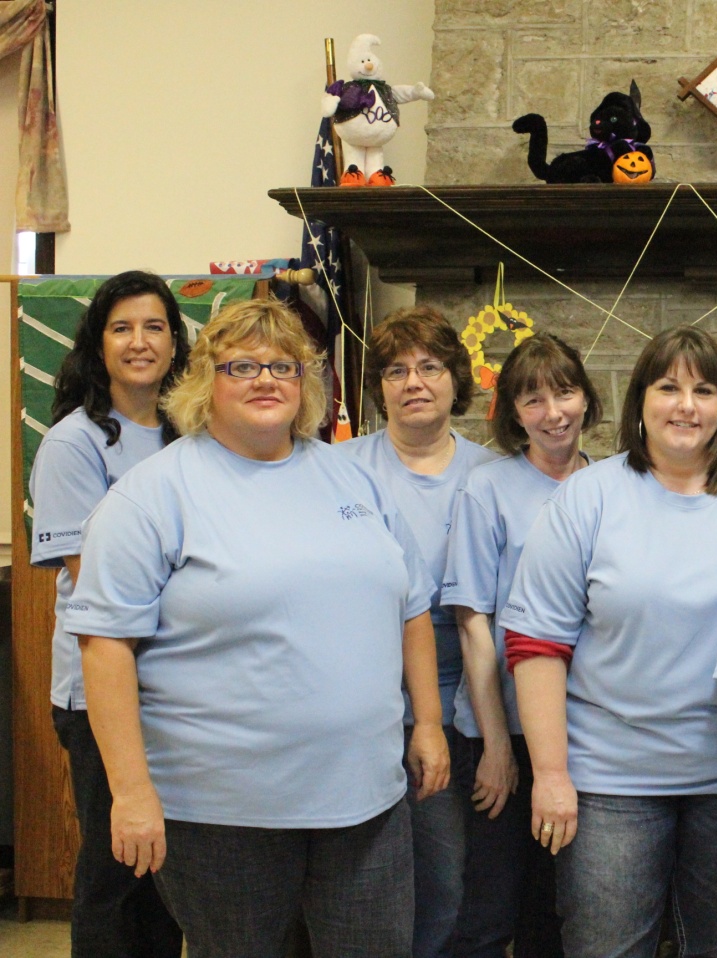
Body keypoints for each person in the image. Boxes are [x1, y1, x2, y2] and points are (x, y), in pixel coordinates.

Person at [66, 299, 450, 958]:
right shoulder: (153, 495)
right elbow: (105, 649)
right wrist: (130, 794)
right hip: (222, 815)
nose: (265, 380)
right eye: (241, 365)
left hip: (367, 800)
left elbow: (410, 607)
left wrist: (430, 723)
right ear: (203, 381)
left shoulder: (351, 479)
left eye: (283, 365)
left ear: (306, 384)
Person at [500, 326, 717, 958]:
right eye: (668, 387)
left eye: (703, 390)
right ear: (640, 402)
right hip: (610, 782)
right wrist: (550, 775)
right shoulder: (588, 497)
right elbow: (535, 644)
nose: (686, 405)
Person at [31, 270, 187, 958]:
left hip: (174, 691)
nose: (140, 342)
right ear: (98, 346)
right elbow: (89, 582)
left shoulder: (192, 436)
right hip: (100, 694)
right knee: (114, 872)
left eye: (154, 326)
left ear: (177, 343)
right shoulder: (75, 442)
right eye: (122, 328)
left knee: (163, 875)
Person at [343, 305, 498, 958]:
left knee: (455, 878)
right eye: (396, 370)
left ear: (455, 379)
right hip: (369, 707)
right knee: (367, 880)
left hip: (473, 707)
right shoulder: (342, 470)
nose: (414, 382)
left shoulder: (492, 473)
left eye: (430, 367)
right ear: (378, 386)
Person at [442, 332, 602, 958]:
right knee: (488, 910)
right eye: (533, 400)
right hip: (500, 734)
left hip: (584, 735)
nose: (553, 412)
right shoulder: (488, 488)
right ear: (511, 412)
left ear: (587, 398)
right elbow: (473, 622)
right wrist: (498, 748)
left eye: (564, 392)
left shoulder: (611, 484)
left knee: (559, 914)